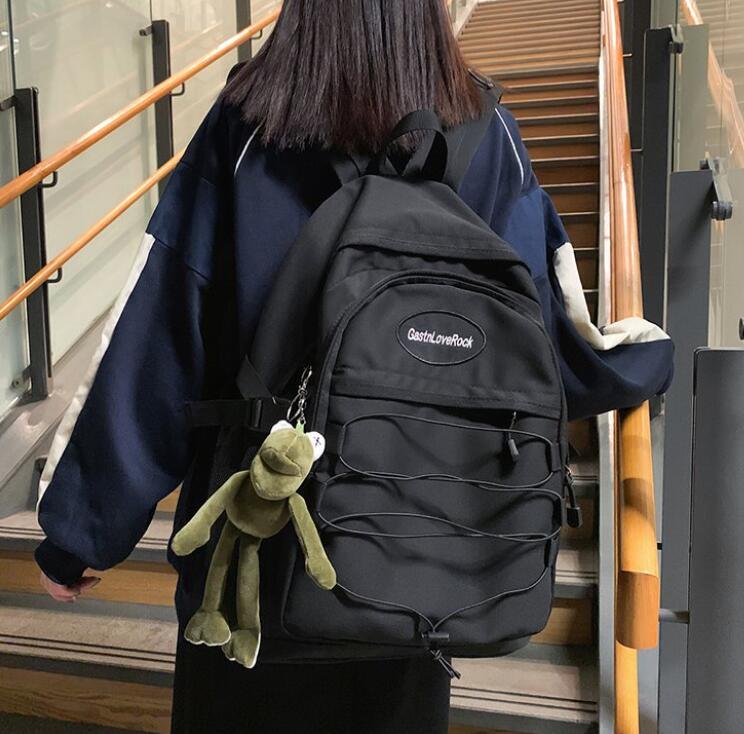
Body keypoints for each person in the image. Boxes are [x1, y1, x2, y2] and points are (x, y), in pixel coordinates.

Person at [34, 1, 674, 732]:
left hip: (252, 564)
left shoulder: (251, 124)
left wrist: (82, 533)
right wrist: (644, 356)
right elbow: (550, 339)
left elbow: (161, 335)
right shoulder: (489, 131)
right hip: (420, 562)